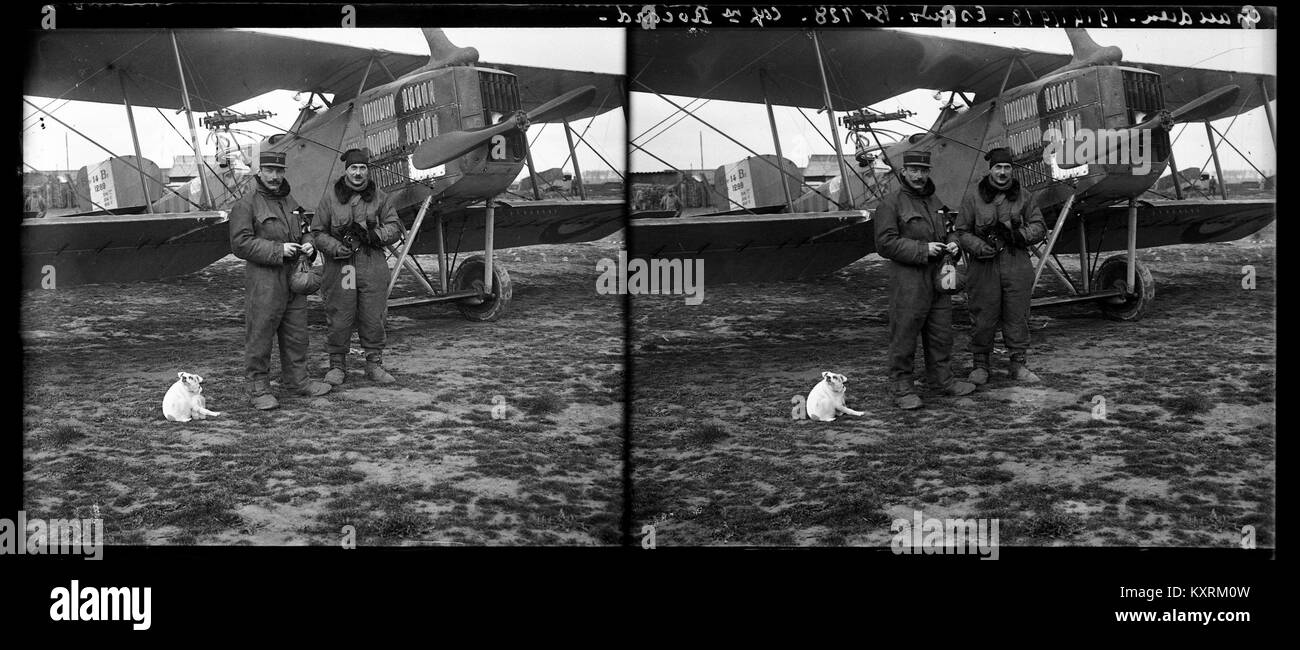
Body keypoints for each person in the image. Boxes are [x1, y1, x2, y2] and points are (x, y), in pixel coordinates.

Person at [229, 151, 333, 410]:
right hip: (264, 280)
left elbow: (306, 232)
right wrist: (278, 250)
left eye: (279, 171)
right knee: (261, 334)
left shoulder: (291, 202)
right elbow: (239, 244)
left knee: (297, 335)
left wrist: (309, 246)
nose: (275, 176)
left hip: (295, 279)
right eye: (269, 170)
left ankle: (298, 381)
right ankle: (257, 387)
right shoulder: (246, 204)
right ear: (259, 172)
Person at [874, 150, 976, 409]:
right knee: (905, 333)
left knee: (941, 333)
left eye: (924, 170)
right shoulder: (891, 203)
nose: (919, 176)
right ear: (904, 172)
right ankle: (902, 387)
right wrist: (922, 249)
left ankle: (942, 380)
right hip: (909, 280)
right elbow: (884, 243)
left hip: (939, 277)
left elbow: (951, 231)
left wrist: (953, 245)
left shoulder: (936, 202)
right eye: (914, 170)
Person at [310, 148, 404, 386]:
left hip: (371, 263)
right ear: (346, 170)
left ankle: (374, 364)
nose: (359, 173)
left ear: (368, 170)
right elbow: (317, 232)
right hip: (343, 268)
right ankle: (337, 366)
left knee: (374, 315)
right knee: (340, 314)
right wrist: (334, 247)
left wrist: (374, 235)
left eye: (363, 168)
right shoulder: (331, 197)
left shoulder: (380, 197)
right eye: (354, 168)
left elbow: (395, 226)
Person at [955, 147, 1047, 384]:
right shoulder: (973, 196)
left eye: (1007, 168)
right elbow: (961, 231)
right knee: (983, 315)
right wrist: (978, 246)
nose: (1003, 172)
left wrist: (1019, 235)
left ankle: (1018, 365)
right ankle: (980, 366)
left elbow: (1039, 225)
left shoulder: (1024, 195)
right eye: (998, 167)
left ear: (1012, 170)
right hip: (983, 265)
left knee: (1017, 314)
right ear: (991, 169)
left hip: (1016, 262)